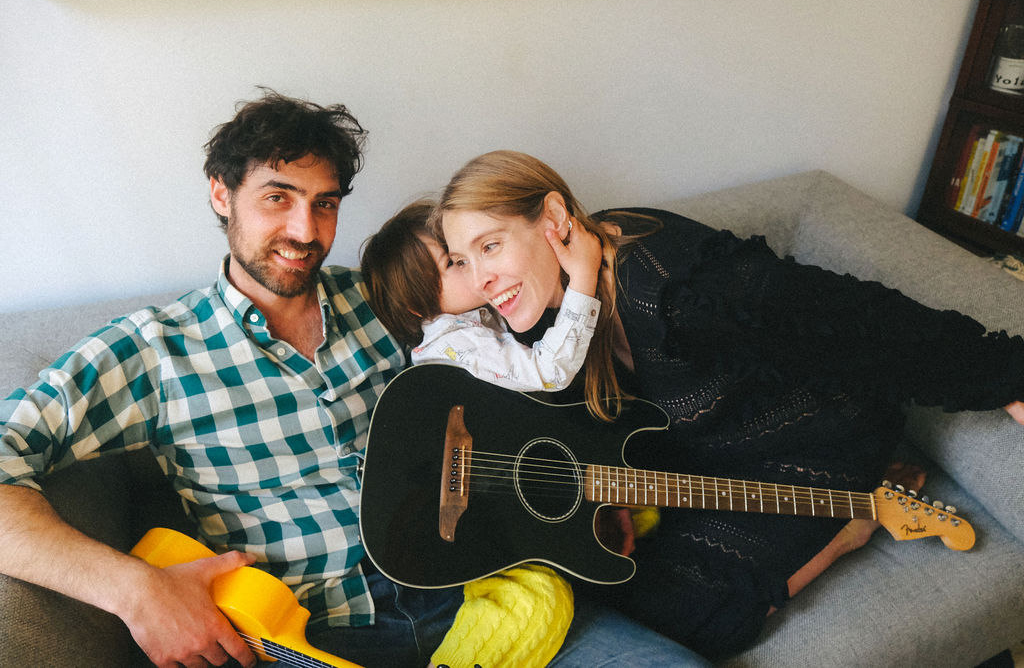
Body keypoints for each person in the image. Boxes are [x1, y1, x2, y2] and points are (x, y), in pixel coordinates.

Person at [0, 96, 711, 668]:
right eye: (278, 198)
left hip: (477, 594)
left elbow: (512, 391)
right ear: (221, 194)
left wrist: (572, 495)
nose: (306, 229)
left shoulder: (391, 299)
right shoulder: (155, 351)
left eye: (326, 202)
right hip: (318, 636)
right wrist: (134, 591)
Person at [431, 149, 1024, 658]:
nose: (480, 277)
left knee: (694, 616)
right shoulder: (544, 307)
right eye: (462, 259)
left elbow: (858, 321)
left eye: (491, 245)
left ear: (554, 218)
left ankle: (852, 524)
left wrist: (1006, 379)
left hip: (815, 436)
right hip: (709, 463)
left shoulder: (674, 284)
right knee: (610, 584)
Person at [361, 198, 604, 392]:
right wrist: (583, 277)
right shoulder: (452, 344)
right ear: (416, 305)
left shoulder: (474, 316)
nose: (478, 270)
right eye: (454, 262)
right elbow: (550, 372)